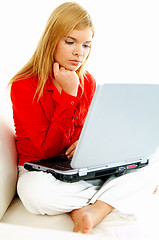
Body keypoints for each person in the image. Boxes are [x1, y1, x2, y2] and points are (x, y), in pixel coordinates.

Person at [9, 2, 158, 234]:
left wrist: (87, 143)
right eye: (70, 42)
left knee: (151, 164)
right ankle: (106, 203)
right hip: (40, 171)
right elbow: (46, 150)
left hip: (80, 168)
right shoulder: (24, 85)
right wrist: (68, 96)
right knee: (35, 195)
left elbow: (87, 130)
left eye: (86, 44)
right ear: (51, 40)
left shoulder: (88, 81)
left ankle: (93, 207)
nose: (80, 52)